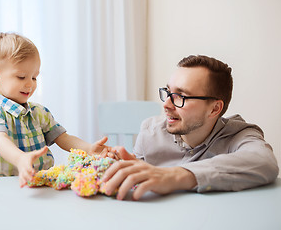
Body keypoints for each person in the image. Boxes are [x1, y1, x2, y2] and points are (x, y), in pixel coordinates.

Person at [101, 55, 279, 200]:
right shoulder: (150, 130)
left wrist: (177, 176)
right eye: (168, 92)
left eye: (180, 96)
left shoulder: (239, 135)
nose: (166, 105)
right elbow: (139, 176)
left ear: (214, 109)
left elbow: (265, 162)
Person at [0, 32, 109, 187]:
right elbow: (0, 140)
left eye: (34, 77)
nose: (30, 84)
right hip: (5, 185)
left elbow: (64, 138)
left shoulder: (39, 112)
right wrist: (20, 158)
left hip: (42, 182)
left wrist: (88, 148)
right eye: (21, 77)